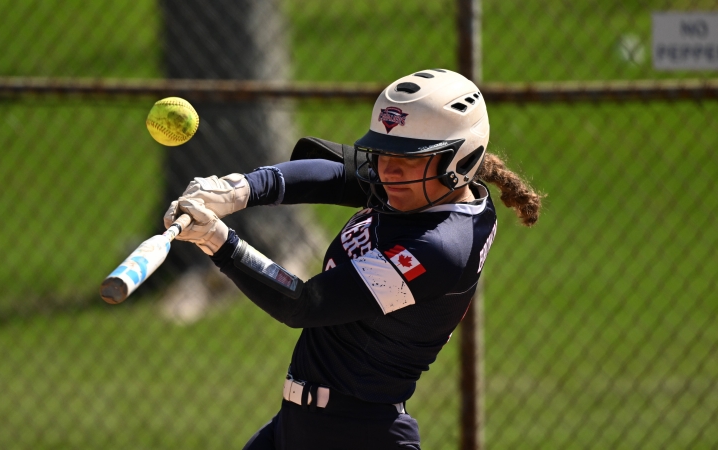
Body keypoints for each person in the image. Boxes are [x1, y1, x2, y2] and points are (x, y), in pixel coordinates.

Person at [164, 69, 542, 449]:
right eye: (382, 153)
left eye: (407, 158)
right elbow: (332, 173)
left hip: (360, 434)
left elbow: (305, 305)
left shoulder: (441, 247)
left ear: (459, 162)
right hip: (297, 429)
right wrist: (238, 190)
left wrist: (218, 241)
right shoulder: (429, 189)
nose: (387, 171)